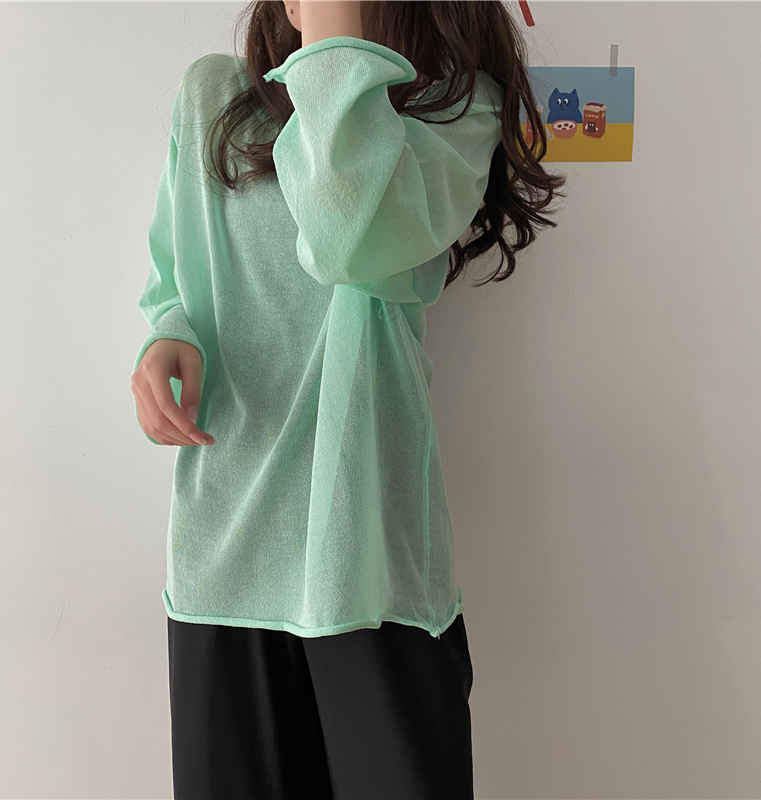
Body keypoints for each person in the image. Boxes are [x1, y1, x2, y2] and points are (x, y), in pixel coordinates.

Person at [130, 1, 565, 797]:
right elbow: (175, 276)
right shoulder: (213, 97)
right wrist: (168, 336)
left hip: (369, 555)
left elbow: (348, 237)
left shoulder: (454, 105)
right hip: (225, 551)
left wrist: (333, 23)